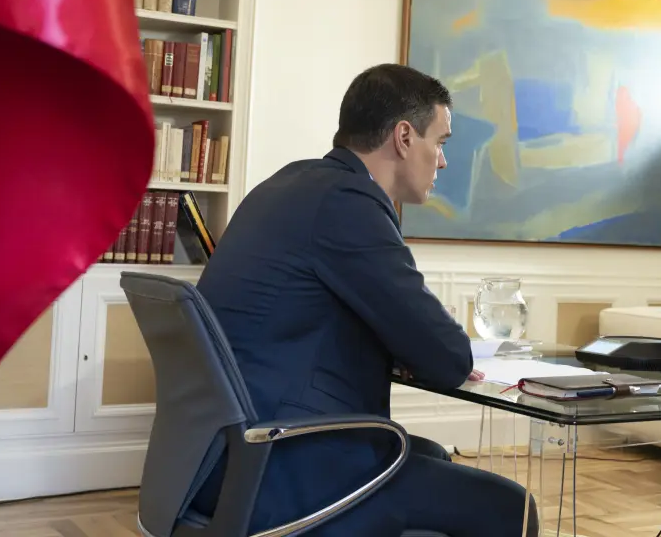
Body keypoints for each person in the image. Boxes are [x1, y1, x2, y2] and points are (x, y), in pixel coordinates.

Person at [190, 64, 537, 537]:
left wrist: (407, 347)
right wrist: (422, 349)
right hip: (280, 471)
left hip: (222, 457)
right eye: (440, 142)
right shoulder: (348, 203)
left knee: (431, 456)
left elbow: (314, 319)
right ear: (404, 137)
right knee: (514, 509)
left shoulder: (291, 184)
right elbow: (448, 357)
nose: (442, 161)